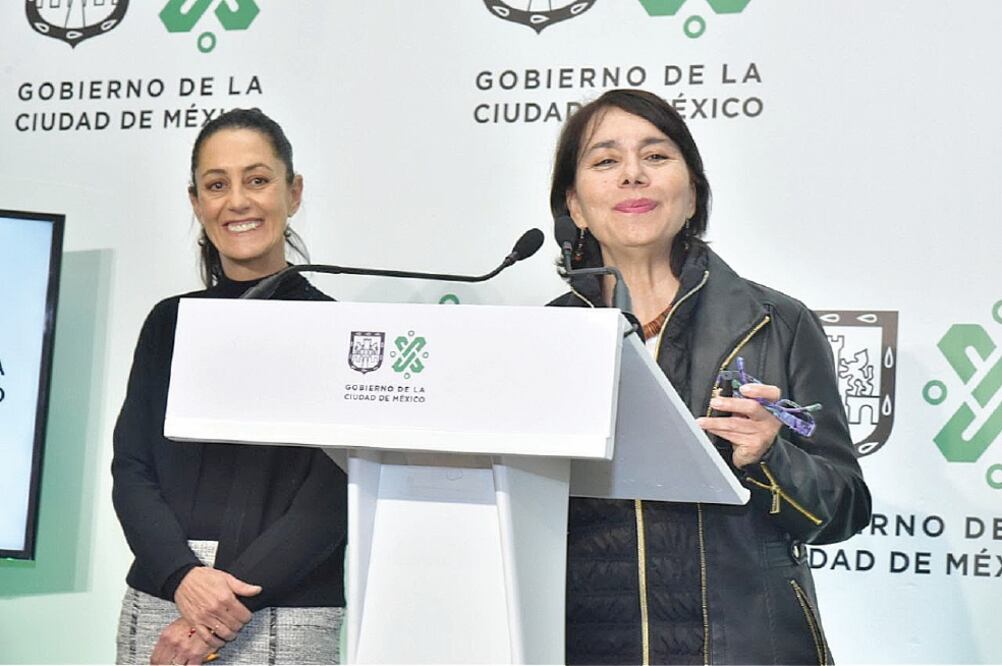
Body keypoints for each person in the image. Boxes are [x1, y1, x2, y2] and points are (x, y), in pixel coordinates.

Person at [548, 89, 872, 665]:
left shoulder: (775, 323)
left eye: (656, 156)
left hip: (743, 647)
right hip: (583, 645)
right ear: (574, 205)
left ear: (693, 193)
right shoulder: (541, 339)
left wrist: (770, 455)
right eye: (605, 161)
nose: (632, 175)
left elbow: (843, 510)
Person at [112, 108, 347, 665]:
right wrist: (182, 576)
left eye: (257, 180)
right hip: (161, 601)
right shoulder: (168, 322)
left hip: (284, 613)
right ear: (197, 202)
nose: (237, 201)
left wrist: (219, 608)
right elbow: (133, 468)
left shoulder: (339, 329)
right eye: (217, 185)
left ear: (293, 192)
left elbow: (330, 499)